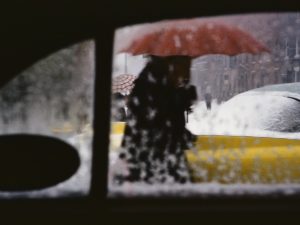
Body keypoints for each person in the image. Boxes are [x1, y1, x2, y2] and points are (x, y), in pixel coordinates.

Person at [114, 55, 197, 184]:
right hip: (149, 172)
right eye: (186, 65)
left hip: (152, 169)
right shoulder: (152, 90)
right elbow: (161, 133)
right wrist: (180, 101)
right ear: (172, 63)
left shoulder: (159, 85)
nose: (187, 71)